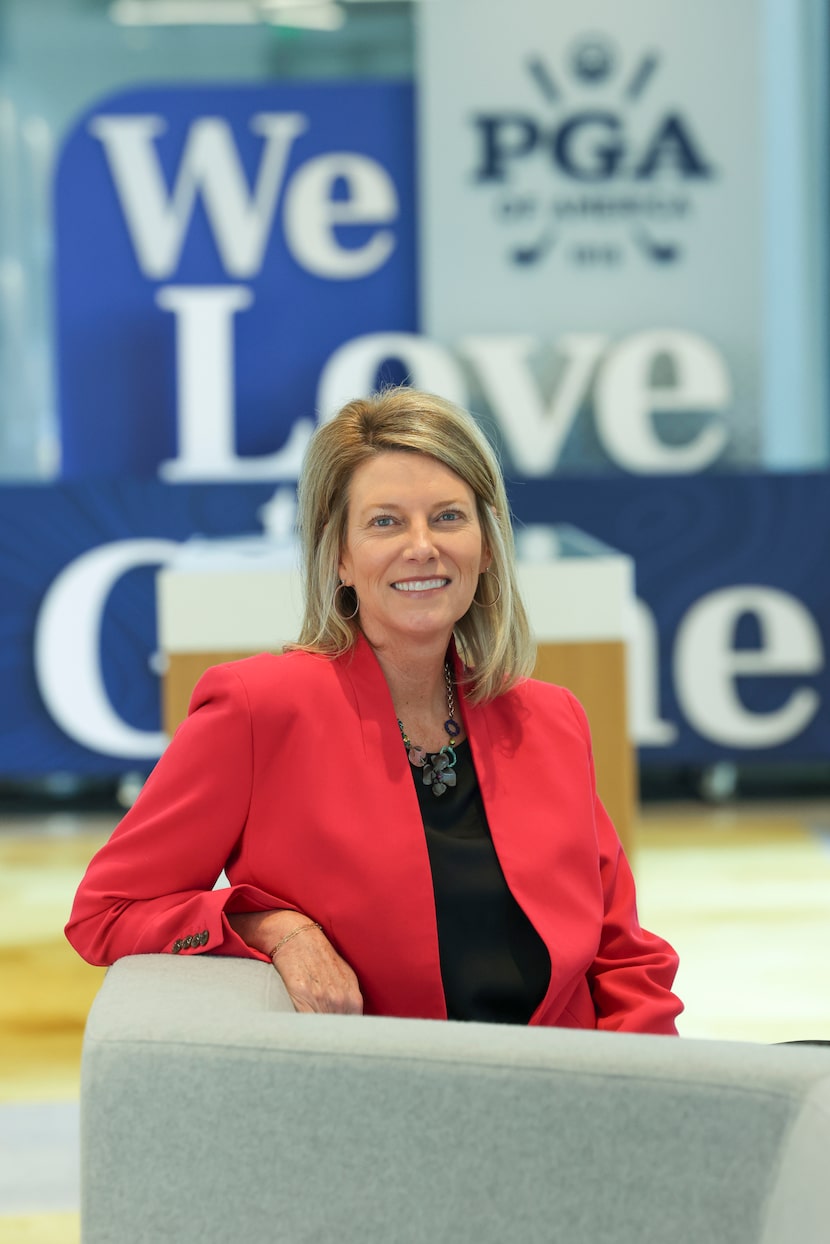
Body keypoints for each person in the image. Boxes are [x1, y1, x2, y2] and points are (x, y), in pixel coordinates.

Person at [66, 386, 682, 1033]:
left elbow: (623, 960)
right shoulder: (258, 709)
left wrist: (646, 1099)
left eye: (448, 517)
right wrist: (272, 927)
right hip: (381, 1107)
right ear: (339, 557)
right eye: (385, 522)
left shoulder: (551, 720)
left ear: (488, 545)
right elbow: (104, 913)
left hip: (568, 1097)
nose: (422, 546)